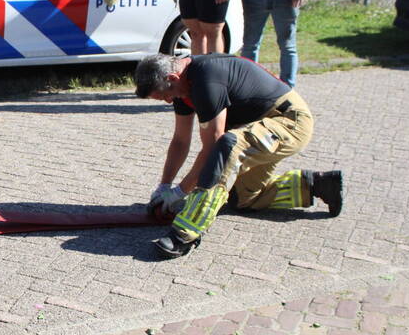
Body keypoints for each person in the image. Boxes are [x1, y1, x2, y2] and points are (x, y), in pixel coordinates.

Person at [134, 52, 343, 258]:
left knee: (228, 146)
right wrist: (164, 186)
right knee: (242, 199)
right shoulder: (181, 85)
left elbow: (213, 147)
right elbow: (180, 140)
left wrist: (180, 192)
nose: (169, 102)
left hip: (289, 122)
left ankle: (184, 235)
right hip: (259, 127)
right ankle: (316, 185)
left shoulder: (206, 80)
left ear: (172, 78)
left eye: (166, 96)